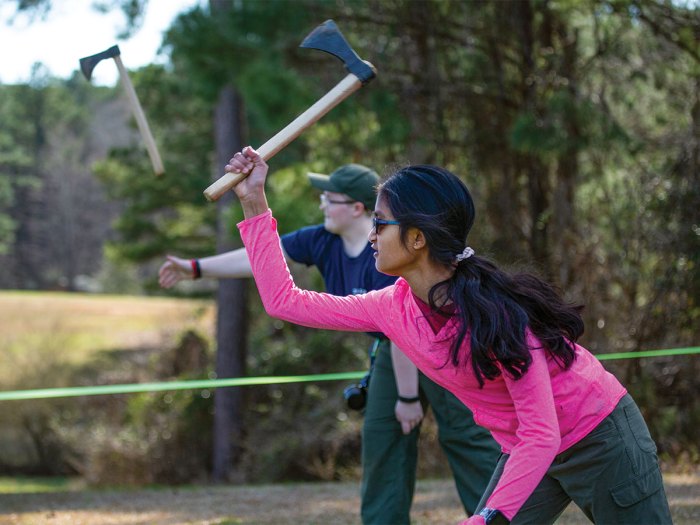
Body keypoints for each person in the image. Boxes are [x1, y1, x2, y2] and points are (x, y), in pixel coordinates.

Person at [226, 146, 673, 525]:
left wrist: (485, 519)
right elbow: (285, 301)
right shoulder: (390, 306)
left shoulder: (496, 314)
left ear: (418, 238)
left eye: (381, 224)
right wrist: (254, 201)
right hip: (527, 448)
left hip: (599, 435)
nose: (371, 238)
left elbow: (544, 431)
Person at [159, 163, 499, 524]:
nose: (321, 204)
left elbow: (410, 324)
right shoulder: (326, 240)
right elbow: (267, 264)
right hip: (391, 347)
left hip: (442, 345)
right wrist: (196, 265)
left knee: (468, 440)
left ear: (357, 209)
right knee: (383, 442)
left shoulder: (392, 258)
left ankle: (496, 516)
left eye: (329, 198)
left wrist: (409, 396)